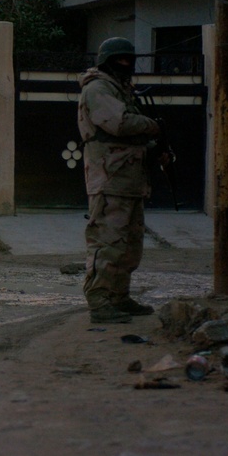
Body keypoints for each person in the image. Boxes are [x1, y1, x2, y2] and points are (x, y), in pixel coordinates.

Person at [78, 37, 164, 324]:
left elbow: (131, 131)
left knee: (130, 243)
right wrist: (153, 126)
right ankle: (101, 299)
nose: (126, 65)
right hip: (110, 177)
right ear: (107, 61)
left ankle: (119, 296)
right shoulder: (98, 88)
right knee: (109, 239)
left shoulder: (121, 91)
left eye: (129, 59)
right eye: (120, 60)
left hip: (129, 179)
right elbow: (120, 123)